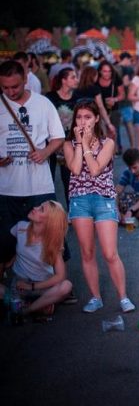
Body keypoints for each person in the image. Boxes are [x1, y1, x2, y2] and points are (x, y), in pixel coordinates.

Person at [63, 99, 135, 313]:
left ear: (96, 119)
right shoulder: (68, 145)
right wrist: (79, 143)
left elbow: (94, 170)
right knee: (87, 252)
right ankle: (96, 298)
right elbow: (76, 169)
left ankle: (123, 297)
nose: (82, 121)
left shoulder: (108, 143)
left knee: (110, 253)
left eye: (87, 117)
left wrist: (85, 144)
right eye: (79, 117)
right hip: (79, 199)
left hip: (104, 198)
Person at [1, 60, 65, 272]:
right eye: (5, 87)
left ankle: (54, 280)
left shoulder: (43, 103)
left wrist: (45, 152)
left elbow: (58, 137)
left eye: (15, 86)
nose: (10, 92)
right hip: (6, 188)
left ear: (25, 80)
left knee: (51, 238)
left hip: (39, 186)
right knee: (5, 244)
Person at [0, 201, 72, 319]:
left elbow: (60, 276)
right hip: (20, 284)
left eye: (41, 209)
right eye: (39, 206)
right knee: (11, 297)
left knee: (66, 286)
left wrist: (32, 287)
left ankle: (27, 310)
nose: (35, 208)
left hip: (42, 285)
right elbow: (13, 247)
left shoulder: (52, 242)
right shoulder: (20, 227)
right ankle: (38, 306)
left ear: (49, 221)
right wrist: (10, 262)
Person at [46, 68, 79, 205]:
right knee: (48, 181)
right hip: (51, 145)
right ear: (63, 80)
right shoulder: (50, 98)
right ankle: (50, 211)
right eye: (73, 77)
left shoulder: (77, 98)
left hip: (70, 145)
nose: (76, 80)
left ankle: (72, 211)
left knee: (69, 181)